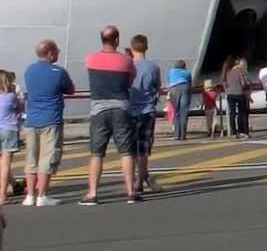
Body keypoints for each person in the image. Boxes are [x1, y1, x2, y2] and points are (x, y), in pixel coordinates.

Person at [83, 25, 138, 205]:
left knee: (97, 153)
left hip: (98, 109)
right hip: (121, 107)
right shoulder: (126, 61)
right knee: (126, 151)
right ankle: (131, 191)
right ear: (117, 40)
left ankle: (92, 194)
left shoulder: (90, 58)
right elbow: (130, 81)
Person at [22, 39, 72, 207]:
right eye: (56, 51)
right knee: (47, 158)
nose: (58, 53)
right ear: (50, 53)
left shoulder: (29, 70)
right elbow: (70, 89)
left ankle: (29, 195)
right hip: (51, 119)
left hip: (31, 120)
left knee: (31, 158)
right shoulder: (58, 72)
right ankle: (42, 195)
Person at [128, 34, 162, 193]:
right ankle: (141, 181)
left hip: (129, 110)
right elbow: (157, 87)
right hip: (147, 110)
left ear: (132, 47)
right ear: (146, 47)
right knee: (144, 148)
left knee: (130, 148)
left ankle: (136, 180)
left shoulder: (127, 65)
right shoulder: (153, 67)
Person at [0, 72, 19, 205]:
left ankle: (14, 184)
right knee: (5, 164)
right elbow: (20, 109)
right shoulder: (11, 97)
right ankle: (2, 195)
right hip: (9, 130)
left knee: (1, 164)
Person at [223, 56, 251, 139]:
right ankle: (245, 132)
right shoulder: (240, 70)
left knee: (232, 113)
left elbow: (224, 82)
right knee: (243, 113)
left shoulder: (227, 71)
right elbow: (244, 82)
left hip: (230, 94)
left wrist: (227, 90)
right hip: (239, 93)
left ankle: (233, 132)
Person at [167, 59, 193, 140]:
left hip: (174, 89)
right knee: (184, 112)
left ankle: (177, 135)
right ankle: (183, 135)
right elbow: (190, 84)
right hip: (185, 87)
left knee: (176, 112)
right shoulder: (187, 73)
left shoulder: (171, 71)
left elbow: (169, 83)